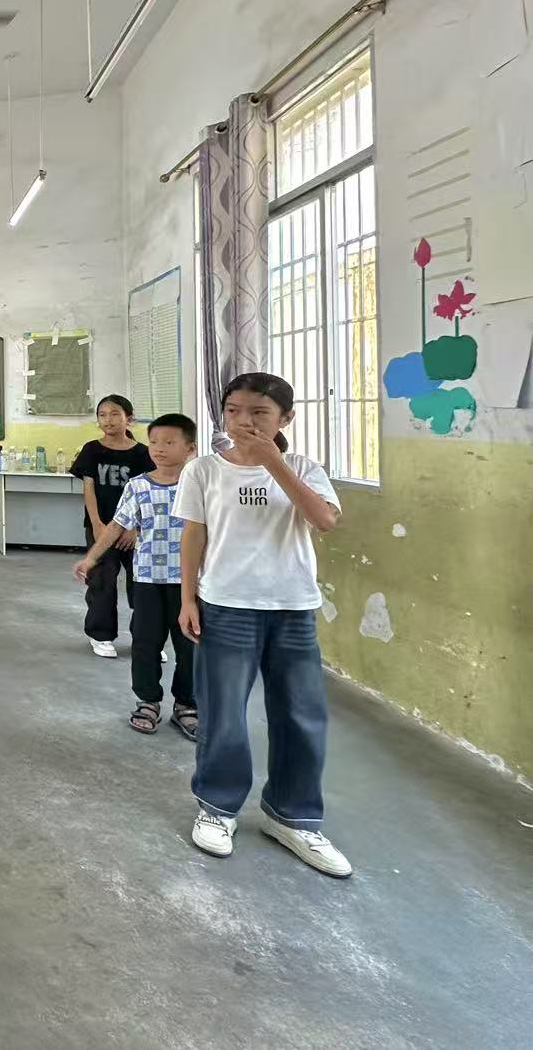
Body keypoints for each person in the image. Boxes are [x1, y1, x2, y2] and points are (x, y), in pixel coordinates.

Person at [176, 373, 350, 878]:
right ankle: (217, 806)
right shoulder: (204, 470)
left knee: (301, 714)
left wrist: (274, 462)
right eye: (233, 410)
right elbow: (194, 535)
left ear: (285, 419)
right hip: (225, 604)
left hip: (292, 606)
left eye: (259, 413)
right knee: (223, 711)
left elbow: (324, 520)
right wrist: (187, 598)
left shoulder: (305, 468)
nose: (243, 421)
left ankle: (292, 816)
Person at [74, 413, 198, 736]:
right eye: (154, 441)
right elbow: (117, 525)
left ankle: (187, 705)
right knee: (145, 642)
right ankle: (148, 701)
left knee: (191, 646)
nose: (159, 448)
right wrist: (91, 558)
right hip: (147, 579)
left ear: (190, 448)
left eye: (169, 442)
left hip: (190, 582)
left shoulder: (200, 485)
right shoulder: (138, 486)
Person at [69, 394, 155, 658]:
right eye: (103, 415)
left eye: (115, 414)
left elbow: (147, 493)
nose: (108, 420)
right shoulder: (91, 450)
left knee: (142, 583)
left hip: (134, 531)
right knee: (102, 580)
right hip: (102, 526)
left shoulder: (143, 453)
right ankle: (100, 635)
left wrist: (134, 528)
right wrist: (97, 524)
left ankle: (147, 637)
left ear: (129, 418)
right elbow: (89, 489)